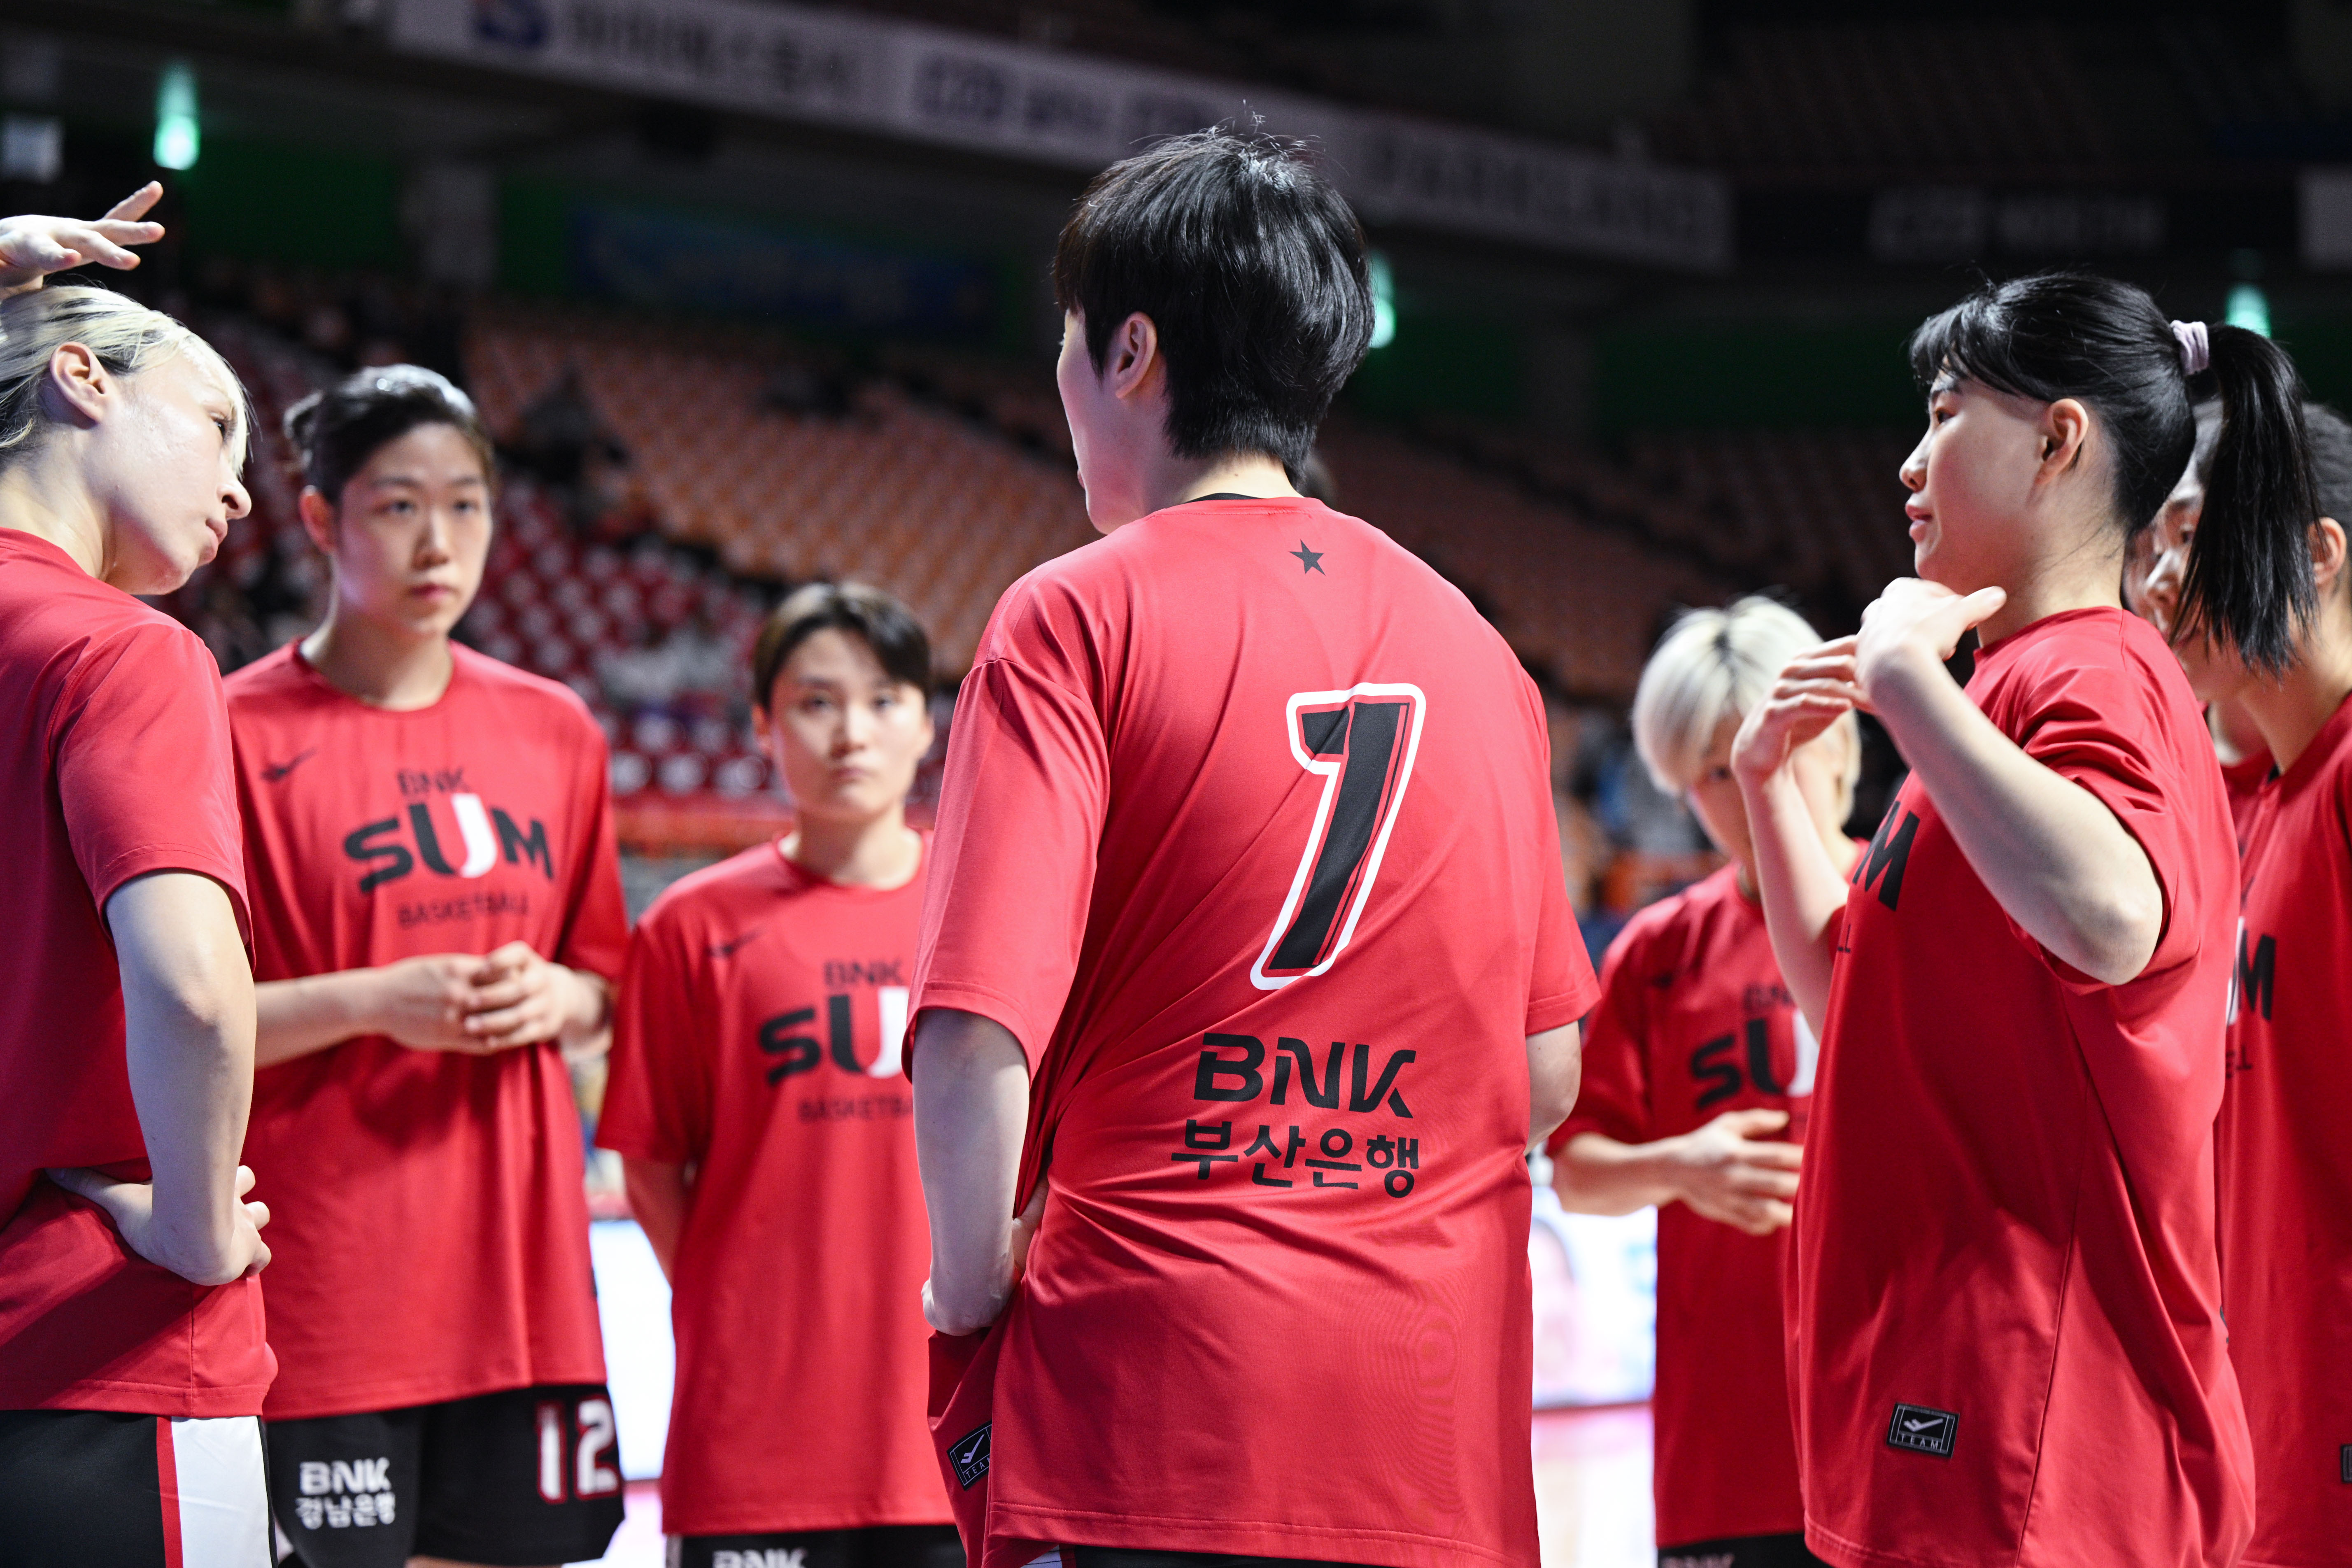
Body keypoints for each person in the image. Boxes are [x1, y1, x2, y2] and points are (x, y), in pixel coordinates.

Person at [907, 126, 1595, 1568]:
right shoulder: (1482, 651)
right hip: (1430, 1419)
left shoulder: (1073, 614)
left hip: (1154, 1402)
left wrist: (965, 1293)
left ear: (1131, 352)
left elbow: (975, 1033)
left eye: (1068, 339)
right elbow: (1543, 1074)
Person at [1733, 276, 2315, 1568]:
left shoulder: (2092, 667)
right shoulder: (2001, 691)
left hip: (2039, 1420)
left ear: (2058, 442)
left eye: (1945, 414)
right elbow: (1859, 1003)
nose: (1908, 462)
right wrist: (1766, 783)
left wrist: (1903, 679)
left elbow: (2109, 916)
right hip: (1959, 1393)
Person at [226, 366, 628, 1568]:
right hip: (325, 1284)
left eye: (466, 504)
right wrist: (372, 1002)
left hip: (522, 1290)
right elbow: (174, 1021)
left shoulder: (556, 728)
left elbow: (604, 983)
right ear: (320, 519)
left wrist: (560, 996)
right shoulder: (229, 733)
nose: (439, 541)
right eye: (399, 505)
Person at [0, 192, 279, 1566]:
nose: (242, 490)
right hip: (93, 1353)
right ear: (82, 377)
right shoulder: (123, 651)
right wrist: (197, 1225)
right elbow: (197, 992)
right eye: (218, 424)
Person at [598, 582, 958, 1568]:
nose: (852, 733)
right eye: (815, 703)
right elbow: (650, 1164)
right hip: (755, 1439)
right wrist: (737, 1303)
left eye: (883, 700)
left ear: (926, 723)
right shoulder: (690, 926)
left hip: (955, 1433)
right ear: (762, 724)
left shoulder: (981, 909)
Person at [1551, 597, 1857, 1568]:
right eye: (1715, 773)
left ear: (1840, 744)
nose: (1750, 788)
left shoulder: (1922, 908)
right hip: (1726, 1453)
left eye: (1777, 748)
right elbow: (1576, 1173)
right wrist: (1679, 1165)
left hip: (1897, 1429)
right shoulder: (1657, 952)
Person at [2137, 400, 2352, 1568]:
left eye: (2191, 535)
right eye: (2154, 545)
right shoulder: (2257, 804)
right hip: (2270, 1418)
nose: (2158, 580)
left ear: (2316, 554)